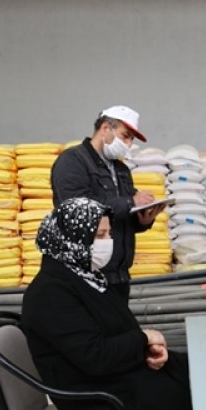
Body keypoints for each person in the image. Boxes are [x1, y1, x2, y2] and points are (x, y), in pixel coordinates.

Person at [21, 197, 206, 410]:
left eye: (108, 234)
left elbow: (116, 332)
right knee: (178, 398)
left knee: (197, 374)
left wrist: (147, 351)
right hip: (94, 400)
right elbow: (94, 356)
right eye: (99, 235)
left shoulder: (86, 278)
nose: (108, 242)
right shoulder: (50, 293)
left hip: (114, 377)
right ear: (71, 240)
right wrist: (143, 340)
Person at [51, 105, 163, 301]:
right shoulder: (72, 161)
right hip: (85, 275)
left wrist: (143, 219)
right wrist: (130, 201)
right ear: (105, 129)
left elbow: (121, 218)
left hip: (118, 276)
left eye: (131, 139)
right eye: (125, 135)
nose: (128, 144)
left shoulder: (121, 170)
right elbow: (77, 208)